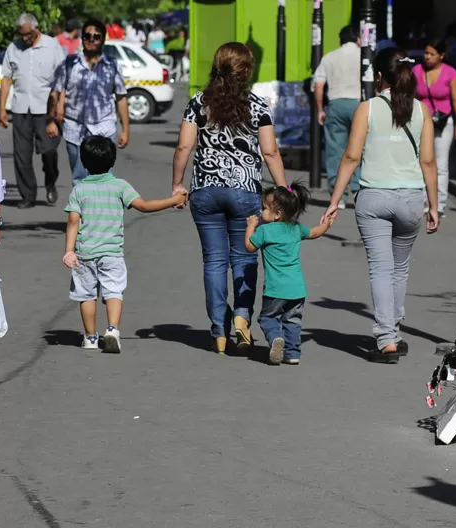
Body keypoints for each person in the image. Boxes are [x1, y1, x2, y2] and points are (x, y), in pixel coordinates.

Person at [321, 48, 440, 363]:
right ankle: (394, 331)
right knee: (399, 268)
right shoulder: (421, 110)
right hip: (412, 198)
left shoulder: (367, 109)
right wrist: (433, 204)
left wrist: (335, 201)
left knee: (381, 268)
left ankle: (386, 338)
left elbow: (351, 157)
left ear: (379, 77)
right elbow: (428, 160)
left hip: (374, 197)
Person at [172, 42, 289, 354]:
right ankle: (241, 317)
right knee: (245, 256)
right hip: (245, 191)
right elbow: (270, 152)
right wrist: (283, 191)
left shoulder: (198, 102)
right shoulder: (258, 105)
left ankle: (218, 332)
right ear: (246, 71)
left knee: (213, 260)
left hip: (205, 191)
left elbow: (184, 147)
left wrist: (177, 185)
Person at [62, 135, 186, 353]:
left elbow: (73, 221)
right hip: (112, 252)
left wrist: (69, 250)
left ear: (83, 162)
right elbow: (144, 206)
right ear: (112, 161)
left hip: (85, 252)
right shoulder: (119, 186)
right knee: (114, 291)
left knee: (86, 295)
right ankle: (112, 330)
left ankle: (90, 337)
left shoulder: (79, 189)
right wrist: (172, 201)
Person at [245, 183, 331, 365]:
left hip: (275, 288)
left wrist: (250, 226)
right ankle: (293, 354)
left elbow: (249, 247)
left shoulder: (264, 231)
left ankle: (276, 337)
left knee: (267, 318)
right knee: (293, 321)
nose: (260, 212)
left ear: (277, 215)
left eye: (264, 208)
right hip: (297, 289)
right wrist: (326, 225)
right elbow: (315, 232)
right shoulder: (296, 228)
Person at [48, 19, 131, 187]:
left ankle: (102, 212)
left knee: (104, 179)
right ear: (82, 38)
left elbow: (121, 97)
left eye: (96, 36)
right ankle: (82, 213)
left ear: (103, 40)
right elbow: (55, 92)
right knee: (79, 179)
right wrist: (50, 120)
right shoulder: (69, 64)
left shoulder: (112, 66)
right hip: (75, 129)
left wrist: (126, 130)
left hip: (104, 129)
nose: (91, 39)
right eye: (87, 36)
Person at [0, 13, 65, 209]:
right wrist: (1, 108)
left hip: (46, 110)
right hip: (21, 108)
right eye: (22, 35)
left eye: (28, 34)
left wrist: (61, 105)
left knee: (50, 151)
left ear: (37, 29)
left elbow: (62, 79)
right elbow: (6, 79)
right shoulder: (14, 48)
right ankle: (28, 195)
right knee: (21, 155)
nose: (24, 38)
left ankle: (50, 181)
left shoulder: (52, 46)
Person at [413, 37, 456, 217]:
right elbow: (411, 96)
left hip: (444, 122)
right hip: (420, 121)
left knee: (440, 164)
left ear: (442, 55)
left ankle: (439, 204)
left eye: (432, 54)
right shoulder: (416, 71)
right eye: (426, 53)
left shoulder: (451, 73)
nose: (427, 57)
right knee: (420, 161)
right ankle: (422, 201)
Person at [313, 25, 361, 209]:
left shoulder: (329, 57)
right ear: (357, 38)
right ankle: (358, 190)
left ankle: (338, 195)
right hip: (359, 104)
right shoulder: (364, 56)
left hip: (335, 104)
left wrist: (320, 109)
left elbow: (318, 85)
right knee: (359, 149)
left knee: (335, 151)